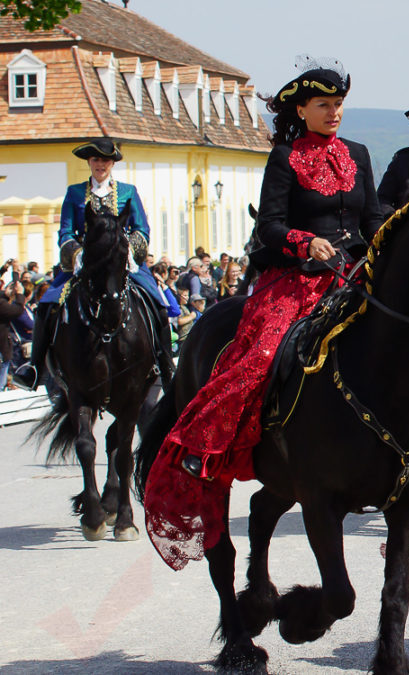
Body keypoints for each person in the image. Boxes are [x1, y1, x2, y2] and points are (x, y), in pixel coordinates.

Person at [141, 56, 389, 569]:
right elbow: (270, 228)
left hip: (355, 275)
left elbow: (374, 217)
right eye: (324, 105)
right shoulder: (284, 157)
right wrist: (306, 241)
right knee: (262, 353)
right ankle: (207, 442)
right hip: (297, 279)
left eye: (339, 104)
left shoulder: (360, 154)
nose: (334, 112)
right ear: (302, 109)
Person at [11, 138, 173, 391]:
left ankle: (165, 363)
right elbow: (65, 231)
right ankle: (34, 368)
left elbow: (142, 229)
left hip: (122, 261)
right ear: (89, 162)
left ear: (112, 163)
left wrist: (127, 251)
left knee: (158, 302)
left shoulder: (128, 191)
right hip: (85, 264)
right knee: (46, 304)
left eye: (105, 160)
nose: (101, 164)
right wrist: (77, 255)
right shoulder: (75, 193)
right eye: (96, 159)